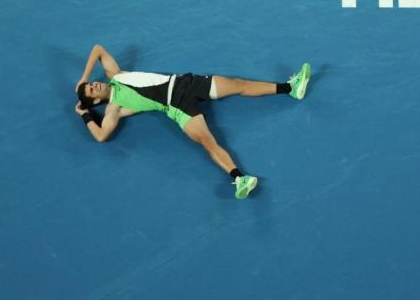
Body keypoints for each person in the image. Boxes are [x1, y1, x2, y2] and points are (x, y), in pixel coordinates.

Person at [73, 44, 311, 199]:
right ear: (96, 103)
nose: (94, 85)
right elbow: (101, 135)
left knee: (239, 84)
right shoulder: (115, 109)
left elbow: (97, 50)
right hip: (178, 108)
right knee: (208, 142)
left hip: (187, 83)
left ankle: (291, 88)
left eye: (92, 84)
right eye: (92, 90)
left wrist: (82, 80)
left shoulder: (116, 75)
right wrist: (84, 114)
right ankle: (240, 178)